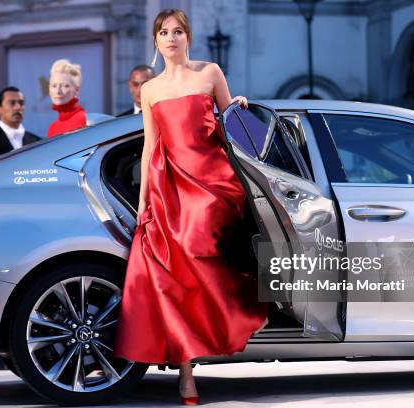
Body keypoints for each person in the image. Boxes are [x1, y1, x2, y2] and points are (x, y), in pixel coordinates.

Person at [113, 9, 268, 405]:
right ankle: (186, 373)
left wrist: (239, 106)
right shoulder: (150, 90)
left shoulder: (210, 72)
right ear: (155, 41)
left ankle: (235, 316)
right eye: (164, 32)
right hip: (172, 186)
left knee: (199, 246)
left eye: (178, 31)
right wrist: (146, 198)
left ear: (188, 37)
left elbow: (230, 119)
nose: (171, 37)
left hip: (214, 182)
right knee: (174, 273)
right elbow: (150, 145)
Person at [47, 59, 87, 138]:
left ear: (76, 90)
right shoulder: (52, 128)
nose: (58, 91)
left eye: (65, 86)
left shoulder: (82, 120)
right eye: (54, 86)